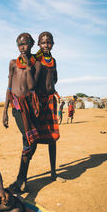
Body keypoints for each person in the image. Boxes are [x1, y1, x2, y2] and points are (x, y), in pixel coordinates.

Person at [2, 33, 41, 193]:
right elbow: (9, 87)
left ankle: (21, 178)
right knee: (28, 139)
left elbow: (32, 86)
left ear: (32, 44)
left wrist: (28, 66)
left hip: (31, 106)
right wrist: (4, 110)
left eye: (25, 44)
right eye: (19, 45)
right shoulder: (13, 63)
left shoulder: (36, 64)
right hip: (17, 106)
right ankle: (20, 179)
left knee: (33, 142)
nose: (22, 47)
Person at [35, 31, 65, 182]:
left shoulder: (53, 60)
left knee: (52, 138)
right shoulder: (35, 59)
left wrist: (51, 89)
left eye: (49, 42)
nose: (46, 45)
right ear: (38, 44)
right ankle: (24, 177)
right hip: (38, 101)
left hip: (51, 101)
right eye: (43, 42)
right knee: (31, 139)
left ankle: (53, 172)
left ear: (53, 43)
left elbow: (55, 78)